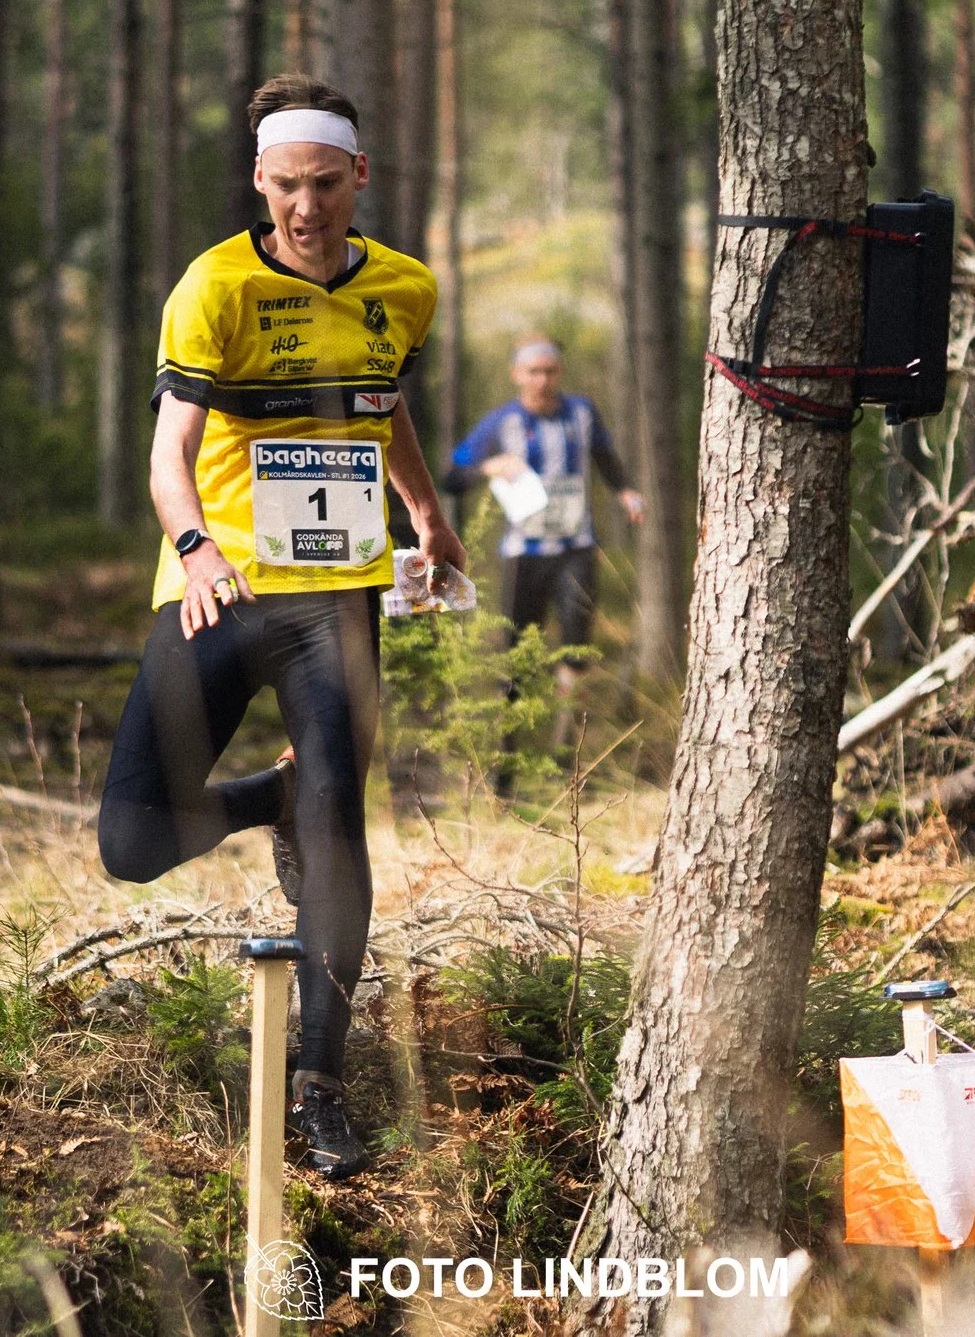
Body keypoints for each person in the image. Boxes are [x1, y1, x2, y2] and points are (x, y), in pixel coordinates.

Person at [96, 74, 465, 1180]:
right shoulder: (214, 286)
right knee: (131, 840)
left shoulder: (405, 286)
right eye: (285, 186)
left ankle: (319, 1081)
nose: (305, 208)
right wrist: (198, 547)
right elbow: (170, 451)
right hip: (220, 588)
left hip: (335, 597)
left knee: (340, 824)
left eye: (324, 184)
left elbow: (379, 395)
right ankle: (266, 799)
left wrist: (426, 508)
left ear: (361, 177)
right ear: (260, 181)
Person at [445, 339, 643, 738]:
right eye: (533, 371)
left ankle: (565, 739)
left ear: (560, 374)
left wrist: (625, 491)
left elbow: (604, 456)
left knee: (576, 642)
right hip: (523, 552)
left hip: (577, 547)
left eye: (549, 370)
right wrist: (489, 466)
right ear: (516, 375)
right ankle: (510, 746)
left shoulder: (582, 414)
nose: (542, 379)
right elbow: (451, 476)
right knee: (519, 648)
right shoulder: (502, 423)